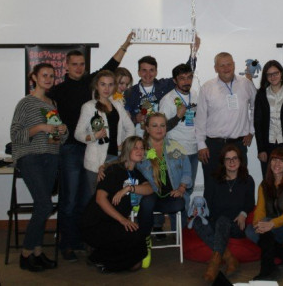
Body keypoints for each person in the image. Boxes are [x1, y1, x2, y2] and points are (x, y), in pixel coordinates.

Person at [50, 32, 134, 262]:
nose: (78, 67)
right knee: (70, 199)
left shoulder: (93, 86)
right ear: (66, 66)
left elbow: (111, 65)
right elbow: (44, 107)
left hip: (98, 151)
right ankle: (68, 243)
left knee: (88, 199)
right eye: (74, 64)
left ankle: (84, 240)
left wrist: (125, 45)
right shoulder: (58, 90)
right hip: (71, 148)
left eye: (82, 64)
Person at [11, 63, 68, 272]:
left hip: (51, 156)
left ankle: (37, 252)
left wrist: (62, 130)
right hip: (30, 157)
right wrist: (40, 127)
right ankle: (26, 254)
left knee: (41, 206)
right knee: (45, 206)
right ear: (34, 77)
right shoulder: (25, 103)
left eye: (52, 76)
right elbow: (15, 135)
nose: (48, 79)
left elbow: (58, 139)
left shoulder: (52, 103)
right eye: (44, 75)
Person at [80, 136, 153, 273]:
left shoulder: (135, 173)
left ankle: (101, 256)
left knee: (139, 249)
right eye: (135, 148)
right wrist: (123, 220)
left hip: (114, 223)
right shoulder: (113, 170)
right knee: (135, 238)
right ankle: (100, 259)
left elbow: (149, 189)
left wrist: (129, 188)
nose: (140, 151)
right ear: (127, 150)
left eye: (142, 148)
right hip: (97, 223)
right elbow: (100, 199)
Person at [192, 144, 255, 282]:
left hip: (236, 224)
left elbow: (250, 202)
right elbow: (207, 203)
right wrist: (200, 211)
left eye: (235, 158)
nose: (232, 162)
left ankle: (213, 265)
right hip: (216, 222)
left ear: (240, 160)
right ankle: (230, 258)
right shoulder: (213, 180)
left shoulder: (247, 180)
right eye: (228, 159)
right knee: (196, 220)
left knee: (223, 220)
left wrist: (244, 213)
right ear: (223, 162)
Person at [195, 52, 257, 185]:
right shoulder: (207, 87)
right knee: (212, 185)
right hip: (213, 146)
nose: (226, 68)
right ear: (215, 68)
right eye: (222, 65)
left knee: (239, 184)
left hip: (238, 144)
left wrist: (252, 131)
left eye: (229, 64)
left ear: (234, 65)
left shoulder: (246, 84)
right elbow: (200, 118)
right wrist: (201, 144)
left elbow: (257, 107)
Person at [136, 112, 191, 260]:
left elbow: (187, 170)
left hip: (170, 196)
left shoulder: (175, 146)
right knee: (147, 202)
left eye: (162, 125)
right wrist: (105, 166)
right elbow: (124, 161)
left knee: (180, 203)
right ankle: (144, 240)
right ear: (147, 128)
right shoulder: (140, 148)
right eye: (154, 126)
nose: (159, 129)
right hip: (150, 193)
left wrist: (181, 188)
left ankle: (182, 237)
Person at [74, 70, 134, 196]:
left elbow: (130, 128)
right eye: (103, 84)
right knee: (96, 198)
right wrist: (94, 136)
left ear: (114, 86)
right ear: (96, 85)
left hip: (115, 159)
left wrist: (124, 145)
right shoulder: (89, 106)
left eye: (110, 84)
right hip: (96, 160)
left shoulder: (117, 105)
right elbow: (78, 134)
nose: (107, 88)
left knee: (114, 197)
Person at [125, 36, 200, 136]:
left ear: (156, 72)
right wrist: (135, 119)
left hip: (160, 137)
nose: (148, 74)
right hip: (139, 137)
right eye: (144, 70)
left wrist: (193, 52)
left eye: (151, 70)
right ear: (138, 72)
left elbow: (183, 74)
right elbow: (124, 119)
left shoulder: (164, 85)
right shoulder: (130, 92)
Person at [247, 147, 283, 281]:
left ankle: (266, 270)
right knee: (250, 230)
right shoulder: (264, 185)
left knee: (265, 232)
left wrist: (271, 224)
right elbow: (260, 209)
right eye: (274, 160)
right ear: (269, 162)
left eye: (282, 161)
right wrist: (258, 224)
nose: (277, 164)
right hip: (270, 225)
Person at [254, 60, 283, 175]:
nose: (273, 77)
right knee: (268, 181)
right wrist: (261, 149)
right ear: (266, 77)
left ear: (281, 73)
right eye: (269, 74)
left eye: (275, 73)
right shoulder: (261, 94)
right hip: (267, 146)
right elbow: (258, 122)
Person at [158, 63, 198, 201]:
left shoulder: (195, 94)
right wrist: (177, 117)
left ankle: (186, 214)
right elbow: (160, 129)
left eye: (189, 77)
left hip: (194, 148)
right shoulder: (167, 100)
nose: (186, 81)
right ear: (175, 80)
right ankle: (178, 215)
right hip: (176, 151)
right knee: (177, 188)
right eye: (182, 78)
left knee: (189, 187)